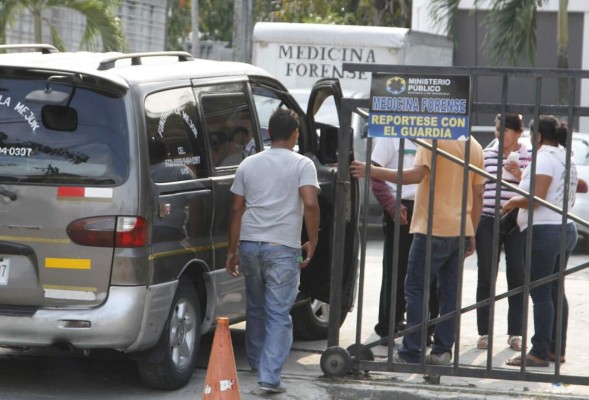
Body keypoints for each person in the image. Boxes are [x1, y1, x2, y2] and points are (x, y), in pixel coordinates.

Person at [351, 136, 485, 365]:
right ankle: (442, 352)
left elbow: (415, 175)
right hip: (459, 229)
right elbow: (478, 193)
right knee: (449, 293)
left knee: (415, 288)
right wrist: (471, 229)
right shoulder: (474, 145)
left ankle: (411, 352)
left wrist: (370, 170)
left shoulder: (433, 138)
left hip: (431, 227)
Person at [225, 108, 320, 393]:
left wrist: (233, 250)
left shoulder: (248, 164)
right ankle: (269, 376)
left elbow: (236, 209)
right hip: (282, 247)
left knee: (255, 307)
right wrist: (313, 241)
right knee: (279, 313)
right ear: (295, 134)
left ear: (268, 133)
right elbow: (311, 204)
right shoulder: (303, 164)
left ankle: (256, 362)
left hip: (250, 245)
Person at [503, 116, 578, 367]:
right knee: (556, 290)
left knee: (541, 292)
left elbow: (537, 198)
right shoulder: (564, 157)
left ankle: (538, 352)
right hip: (564, 228)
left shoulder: (544, 157)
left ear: (537, 136)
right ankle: (557, 350)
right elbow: (579, 186)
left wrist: (513, 202)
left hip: (545, 232)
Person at [370, 137, 439, 341]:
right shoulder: (390, 136)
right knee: (396, 269)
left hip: (430, 208)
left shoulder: (436, 134)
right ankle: (389, 324)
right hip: (402, 209)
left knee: (429, 271)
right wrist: (391, 205)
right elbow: (374, 175)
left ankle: (425, 327)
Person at [475, 114, 530, 351]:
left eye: (505, 130)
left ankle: (515, 333)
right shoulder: (486, 155)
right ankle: (485, 332)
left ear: (518, 132)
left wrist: (519, 174)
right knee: (486, 275)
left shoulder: (529, 155)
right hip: (488, 219)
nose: (499, 134)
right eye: (497, 129)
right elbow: (477, 188)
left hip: (517, 221)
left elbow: (535, 190)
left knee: (517, 275)